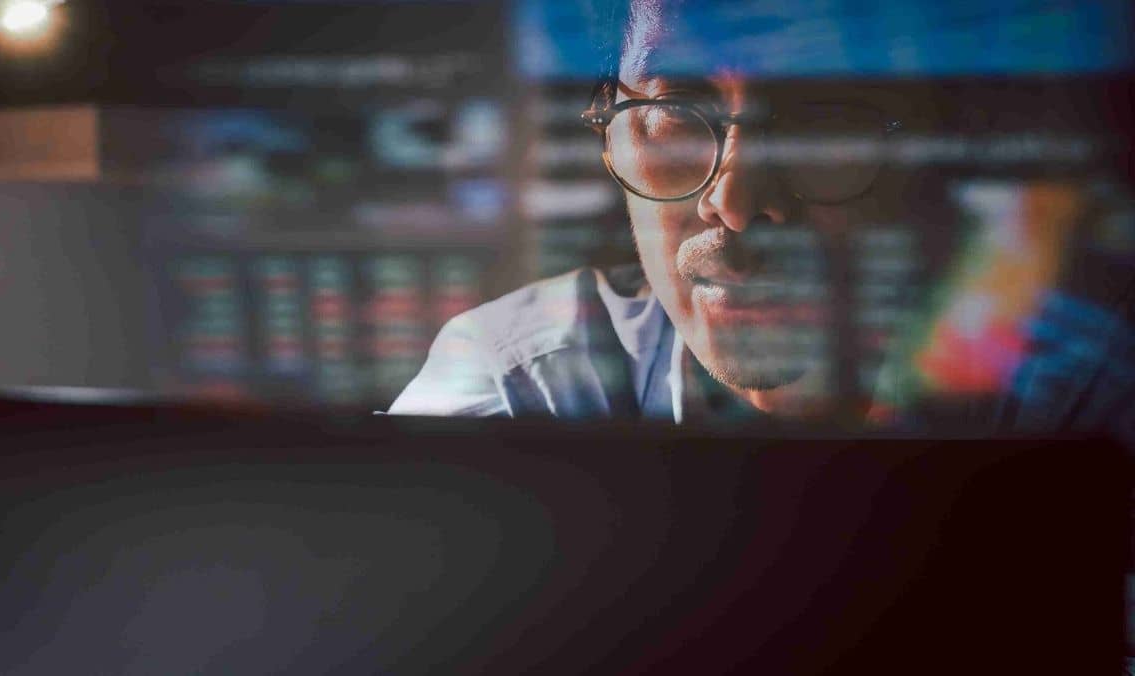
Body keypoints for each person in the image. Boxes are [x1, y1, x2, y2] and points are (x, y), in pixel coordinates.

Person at [390, 0, 1135, 438]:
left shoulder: (1083, 386)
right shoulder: (525, 388)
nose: (737, 202)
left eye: (824, 116)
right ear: (605, 127)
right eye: (675, 110)